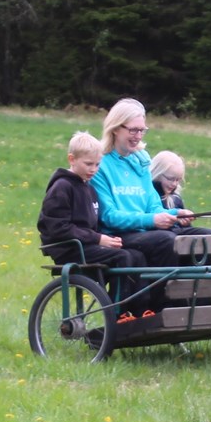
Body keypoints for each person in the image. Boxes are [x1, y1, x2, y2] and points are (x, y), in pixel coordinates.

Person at [36, 131, 152, 321]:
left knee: (137, 255)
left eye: (97, 164)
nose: (93, 169)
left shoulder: (89, 188)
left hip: (86, 244)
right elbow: (58, 228)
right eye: (88, 164)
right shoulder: (62, 187)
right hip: (68, 248)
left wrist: (106, 238)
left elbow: (93, 224)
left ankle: (141, 310)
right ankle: (118, 312)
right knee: (122, 257)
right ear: (72, 159)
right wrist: (98, 239)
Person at [95, 99, 211, 271]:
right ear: (115, 128)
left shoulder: (141, 161)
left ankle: (202, 297)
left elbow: (154, 206)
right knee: (167, 240)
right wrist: (152, 220)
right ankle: (166, 296)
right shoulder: (100, 165)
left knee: (206, 238)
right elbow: (109, 217)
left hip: (148, 230)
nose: (138, 136)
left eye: (142, 130)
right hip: (121, 235)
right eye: (133, 130)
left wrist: (176, 214)